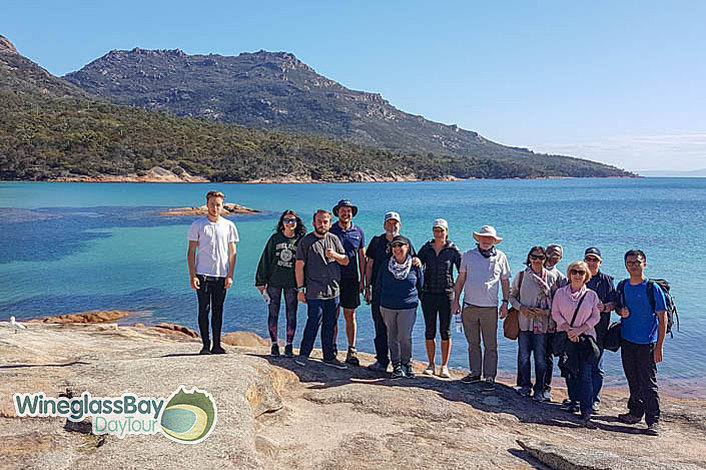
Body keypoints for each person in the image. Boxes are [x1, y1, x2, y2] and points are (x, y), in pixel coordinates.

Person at [452, 225, 511, 392]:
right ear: (478, 239)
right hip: (469, 306)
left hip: (490, 308)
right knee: (473, 343)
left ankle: (490, 377)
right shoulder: (468, 256)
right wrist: (455, 301)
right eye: (483, 237)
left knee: (490, 345)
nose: (486, 241)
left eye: (489, 238)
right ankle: (475, 373)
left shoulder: (501, 257)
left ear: (494, 241)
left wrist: (505, 302)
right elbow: (461, 279)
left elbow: (505, 281)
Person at [615, 249, 667, 436]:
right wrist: (620, 312)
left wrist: (659, 346)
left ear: (644, 263)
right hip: (627, 340)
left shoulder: (652, 288)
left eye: (637, 262)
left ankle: (653, 421)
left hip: (647, 343)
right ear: (625, 265)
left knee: (649, 383)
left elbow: (663, 318)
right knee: (632, 379)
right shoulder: (622, 286)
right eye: (630, 262)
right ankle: (635, 412)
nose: (634, 265)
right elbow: (618, 307)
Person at [294, 209, 349, 369]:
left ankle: (329, 356)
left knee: (330, 324)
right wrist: (300, 289)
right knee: (313, 322)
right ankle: (304, 354)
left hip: (333, 290)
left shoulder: (334, 239)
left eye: (325, 222)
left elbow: (345, 260)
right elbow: (299, 266)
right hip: (314, 291)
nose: (322, 224)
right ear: (314, 223)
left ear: (330, 223)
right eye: (319, 221)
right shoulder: (306, 241)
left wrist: (335, 255)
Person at [365, 211, 417, 373]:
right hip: (379, 291)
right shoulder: (377, 241)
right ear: (384, 225)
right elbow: (369, 264)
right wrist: (367, 287)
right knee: (380, 328)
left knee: (402, 333)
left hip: (401, 295)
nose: (392, 226)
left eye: (395, 223)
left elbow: (414, 262)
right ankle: (382, 361)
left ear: (399, 225)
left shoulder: (405, 242)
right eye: (389, 223)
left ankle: (402, 363)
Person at [187, 190, 239, 355]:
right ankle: (205, 345)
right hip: (202, 275)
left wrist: (230, 275)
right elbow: (191, 252)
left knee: (218, 310)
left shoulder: (229, 225)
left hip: (221, 276)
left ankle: (217, 344)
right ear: (207, 204)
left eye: (218, 205)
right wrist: (192, 275)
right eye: (212, 204)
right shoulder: (198, 225)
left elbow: (233, 253)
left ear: (222, 205)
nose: (215, 208)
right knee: (204, 309)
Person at [551, 260, 601, 429]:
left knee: (586, 374)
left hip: (585, 339)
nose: (577, 275)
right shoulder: (560, 293)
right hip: (566, 337)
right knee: (569, 371)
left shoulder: (591, 295)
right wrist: (568, 329)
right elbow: (555, 313)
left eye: (581, 272)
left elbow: (596, 317)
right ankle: (574, 401)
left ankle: (586, 409)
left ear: (586, 275)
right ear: (569, 273)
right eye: (574, 272)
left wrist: (579, 330)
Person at [510, 246, 560, 401]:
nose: (537, 260)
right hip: (524, 323)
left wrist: (546, 312)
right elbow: (512, 297)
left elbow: (560, 302)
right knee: (524, 357)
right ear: (529, 258)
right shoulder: (521, 276)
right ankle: (525, 386)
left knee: (540, 358)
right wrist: (521, 308)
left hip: (543, 326)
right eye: (534, 257)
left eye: (540, 257)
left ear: (545, 259)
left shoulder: (553, 277)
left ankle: (540, 389)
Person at [255, 210, 307, 358]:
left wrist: (303, 285)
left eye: (293, 220)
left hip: (292, 283)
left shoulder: (300, 240)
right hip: (274, 282)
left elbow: (306, 264)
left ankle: (289, 345)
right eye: (286, 220)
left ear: (297, 223)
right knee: (273, 313)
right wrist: (260, 281)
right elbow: (265, 259)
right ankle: (274, 344)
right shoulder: (275, 239)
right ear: (282, 222)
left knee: (292, 314)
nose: (290, 223)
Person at [417, 218, 461, 378]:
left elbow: (462, 272)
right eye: (436, 230)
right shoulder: (427, 248)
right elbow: (416, 264)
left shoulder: (453, 250)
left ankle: (444, 365)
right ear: (433, 231)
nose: (438, 233)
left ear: (446, 232)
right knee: (429, 330)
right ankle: (430, 364)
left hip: (446, 295)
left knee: (445, 331)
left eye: (441, 230)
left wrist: (457, 295)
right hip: (428, 294)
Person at [378, 235, 424, 379]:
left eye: (400, 245)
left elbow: (420, 285)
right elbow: (378, 284)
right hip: (388, 306)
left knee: (404, 336)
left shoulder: (415, 266)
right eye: (394, 246)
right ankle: (396, 365)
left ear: (407, 247)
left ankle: (407, 363)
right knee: (392, 336)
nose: (397, 249)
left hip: (408, 306)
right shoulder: (385, 265)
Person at [329, 199, 366, 365]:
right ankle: (332, 347)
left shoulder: (358, 231)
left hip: (351, 278)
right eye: (343, 210)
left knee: (350, 315)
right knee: (333, 315)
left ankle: (351, 349)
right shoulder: (331, 230)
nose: (346, 213)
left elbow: (362, 257)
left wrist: (363, 279)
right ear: (338, 212)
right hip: (333, 278)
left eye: (349, 211)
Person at [583, 247, 616, 413]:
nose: (591, 262)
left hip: (599, 330)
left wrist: (604, 307)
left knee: (596, 366)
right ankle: (579, 398)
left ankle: (594, 399)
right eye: (588, 259)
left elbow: (614, 303)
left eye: (594, 259)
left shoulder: (607, 280)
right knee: (578, 365)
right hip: (580, 329)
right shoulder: (578, 276)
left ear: (600, 262)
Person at [543, 243, 566, 400]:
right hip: (531, 320)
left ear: (560, 258)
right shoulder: (532, 271)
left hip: (552, 323)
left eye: (557, 254)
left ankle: (546, 388)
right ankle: (524, 384)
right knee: (525, 353)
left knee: (547, 356)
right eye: (550, 252)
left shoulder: (561, 278)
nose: (553, 256)